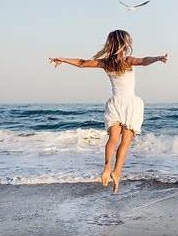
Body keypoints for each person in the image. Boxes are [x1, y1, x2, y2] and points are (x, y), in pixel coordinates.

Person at [49, 29, 168, 192]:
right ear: (124, 44)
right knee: (125, 142)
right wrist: (158, 58)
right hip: (131, 105)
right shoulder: (128, 60)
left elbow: (82, 63)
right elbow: (144, 60)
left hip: (115, 104)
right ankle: (117, 172)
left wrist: (62, 58)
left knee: (113, 138)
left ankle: (107, 168)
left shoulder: (105, 62)